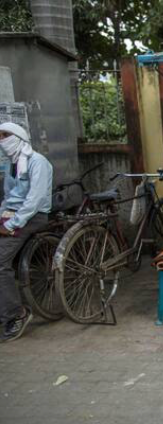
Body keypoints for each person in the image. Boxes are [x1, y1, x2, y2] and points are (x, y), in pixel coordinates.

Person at [0, 122, 53, 343]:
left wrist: (11, 225)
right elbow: (8, 196)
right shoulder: (11, 164)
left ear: (18, 137)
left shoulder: (37, 162)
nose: (2, 141)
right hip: (12, 214)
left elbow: (35, 200)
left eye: (5, 135)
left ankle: (16, 313)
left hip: (33, 216)